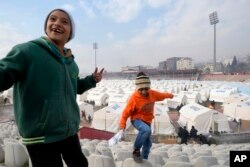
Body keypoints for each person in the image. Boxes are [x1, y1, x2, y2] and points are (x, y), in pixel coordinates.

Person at [0, 8, 104, 167]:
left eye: (64, 21)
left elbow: (74, 87)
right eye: (52, 19)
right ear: (46, 26)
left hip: (68, 132)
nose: (57, 23)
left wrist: (91, 80)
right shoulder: (27, 51)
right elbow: (4, 74)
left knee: (81, 164)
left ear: (70, 33)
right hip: (41, 137)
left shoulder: (71, 63)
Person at [119, 72, 174, 163]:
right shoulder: (134, 98)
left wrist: (170, 95)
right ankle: (136, 150)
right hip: (137, 119)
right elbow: (125, 113)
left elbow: (162, 95)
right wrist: (122, 126)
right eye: (141, 89)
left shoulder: (152, 94)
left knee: (148, 144)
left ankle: (143, 160)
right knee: (146, 130)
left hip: (147, 121)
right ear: (137, 88)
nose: (144, 92)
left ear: (149, 87)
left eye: (146, 89)